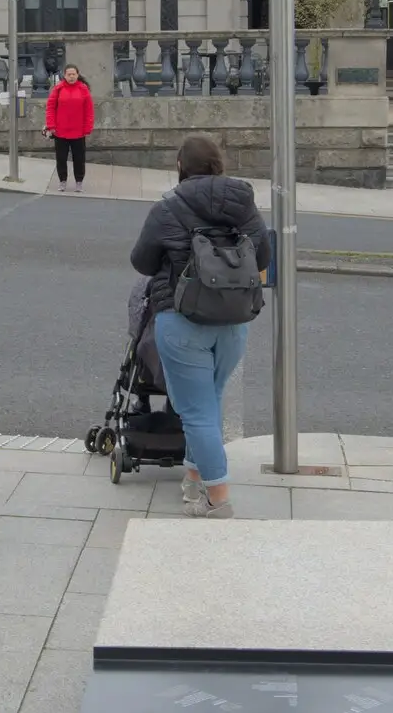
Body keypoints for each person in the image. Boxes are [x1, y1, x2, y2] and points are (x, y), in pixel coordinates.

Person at [129, 135, 270, 519]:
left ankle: (218, 498)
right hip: (234, 318)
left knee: (196, 412)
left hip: (182, 317)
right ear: (218, 165)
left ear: (180, 167)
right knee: (208, 403)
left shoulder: (169, 206)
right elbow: (264, 252)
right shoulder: (243, 201)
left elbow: (142, 261)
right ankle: (193, 479)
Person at [44, 64, 94, 192]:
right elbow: (50, 108)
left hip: (78, 132)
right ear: (64, 76)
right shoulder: (58, 89)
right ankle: (62, 181)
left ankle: (79, 181)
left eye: (73, 74)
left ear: (77, 75)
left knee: (79, 159)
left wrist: (88, 127)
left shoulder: (83, 89)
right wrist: (51, 126)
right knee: (61, 158)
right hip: (60, 132)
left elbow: (89, 110)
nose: (71, 77)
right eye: (69, 74)